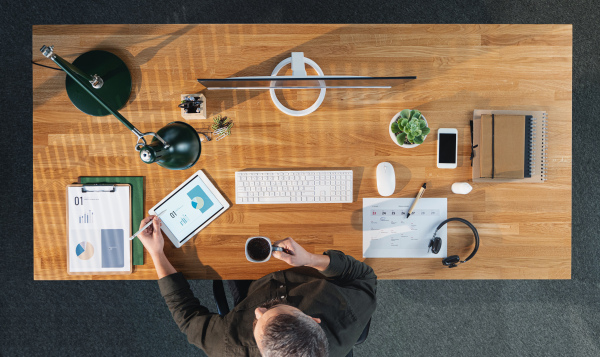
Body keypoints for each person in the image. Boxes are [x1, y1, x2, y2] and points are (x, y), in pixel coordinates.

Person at [137, 215, 377, 357]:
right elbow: (363, 276)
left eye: (256, 323)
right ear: (315, 321)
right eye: (274, 308)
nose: (258, 311)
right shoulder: (351, 315)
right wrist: (310, 259)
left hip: (253, 289)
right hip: (307, 270)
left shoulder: (229, 345)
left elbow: (187, 317)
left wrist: (157, 253)